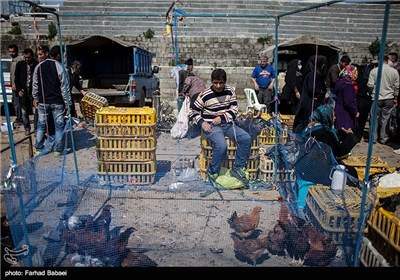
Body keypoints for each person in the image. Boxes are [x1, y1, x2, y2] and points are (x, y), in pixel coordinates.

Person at [190, 68, 252, 184]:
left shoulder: (230, 91)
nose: (218, 86)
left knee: (246, 138)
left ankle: (237, 168)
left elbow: (234, 110)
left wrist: (222, 118)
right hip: (212, 126)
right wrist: (202, 123)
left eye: (221, 83)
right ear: (212, 82)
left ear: (225, 82)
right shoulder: (205, 94)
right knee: (222, 145)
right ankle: (212, 171)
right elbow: (193, 111)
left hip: (228, 124)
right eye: (215, 83)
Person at [32, 45, 70, 156]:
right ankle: (57, 150)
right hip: (57, 102)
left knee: (41, 125)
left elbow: (35, 84)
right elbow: (65, 87)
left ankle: (38, 147)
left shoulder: (38, 67)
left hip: (43, 101)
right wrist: (68, 103)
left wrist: (35, 98)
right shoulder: (59, 67)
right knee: (59, 126)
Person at [367, 54, 399, 145]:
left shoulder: (374, 71)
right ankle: (383, 138)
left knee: (374, 119)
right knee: (385, 119)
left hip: (377, 97)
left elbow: (370, 85)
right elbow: (396, 87)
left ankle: (373, 138)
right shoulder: (394, 72)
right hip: (389, 97)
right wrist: (395, 97)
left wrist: (370, 93)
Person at [293, 55, 328, 134]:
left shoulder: (315, 74)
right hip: (309, 104)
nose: (324, 66)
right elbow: (312, 89)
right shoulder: (313, 75)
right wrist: (322, 93)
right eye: (322, 63)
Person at [14, 48, 38, 136]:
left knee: (36, 111)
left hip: (33, 92)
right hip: (23, 92)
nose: (27, 59)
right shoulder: (20, 64)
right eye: (25, 57)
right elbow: (16, 78)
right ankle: (27, 128)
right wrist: (19, 89)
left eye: (29, 57)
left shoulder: (36, 64)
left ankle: (36, 128)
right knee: (24, 111)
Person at [334, 65, 359, 131]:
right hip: (345, 114)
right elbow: (349, 102)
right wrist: (355, 111)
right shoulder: (348, 85)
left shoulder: (340, 82)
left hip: (339, 110)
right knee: (346, 134)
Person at [8, 44, 23, 125]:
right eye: (10, 52)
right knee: (14, 102)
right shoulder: (13, 60)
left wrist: (15, 85)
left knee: (17, 103)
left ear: (16, 51)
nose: (11, 53)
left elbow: (18, 75)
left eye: (13, 51)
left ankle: (20, 119)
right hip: (14, 86)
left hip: (17, 86)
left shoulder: (18, 60)